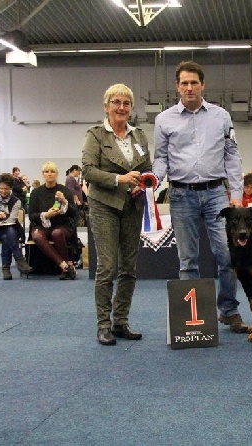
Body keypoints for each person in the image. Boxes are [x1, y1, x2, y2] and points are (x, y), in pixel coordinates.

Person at [153, 60, 249, 334]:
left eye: (194, 82)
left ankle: (228, 310)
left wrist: (237, 195)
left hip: (217, 195)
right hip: (181, 195)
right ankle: (193, 318)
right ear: (177, 87)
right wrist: (153, 181)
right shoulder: (164, 120)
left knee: (227, 255)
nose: (189, 87)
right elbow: (161, 158)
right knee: (188, 261)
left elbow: (232, 155)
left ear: (203, 85)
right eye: (184, 83)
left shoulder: (222, 117)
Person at [82, 83, 152, 345]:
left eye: (126, 103)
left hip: (133, 207)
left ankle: (121, 321)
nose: (121, 107)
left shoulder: (140, 136)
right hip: (104, 206)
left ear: (131, 108)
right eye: (116, 102)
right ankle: (103, 324)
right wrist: (120, 179)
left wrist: (141, 184)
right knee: (107, 266)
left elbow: (147, 168)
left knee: (129, 268)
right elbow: (88, 170)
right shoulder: (96, 134)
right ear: (106, 106)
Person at [29, 162, 78, 280]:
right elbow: (31, 215)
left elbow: (73, 213)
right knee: (36, 235)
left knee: (56, 233)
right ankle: (64, 265)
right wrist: (46, 214)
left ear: (57, 174)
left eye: (52, 172)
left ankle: (65, 267)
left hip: (62, 224)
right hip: (43, 225)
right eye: (46, 172)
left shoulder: (65, 190)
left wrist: (64, 201)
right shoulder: (36, 193)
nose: (49, 174)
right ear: (43, 174)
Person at [0, 173, 33, 280]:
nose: (3, 191)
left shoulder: (16, 201)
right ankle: (19, 260)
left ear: (11, 188)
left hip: (8, 228)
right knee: (10, 233)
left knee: (7, 235)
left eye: (6, 189)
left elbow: (11, 220)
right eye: (1, 188)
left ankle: (6, 269)